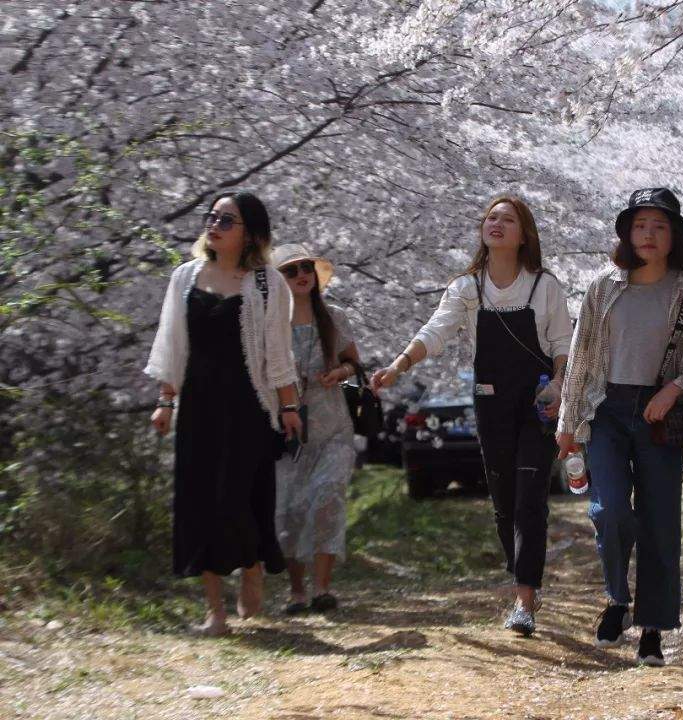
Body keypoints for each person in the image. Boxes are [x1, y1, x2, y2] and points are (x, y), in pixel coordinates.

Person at [371, 195, 573, 637]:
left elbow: (563, 344)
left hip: (537, 404)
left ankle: (523, 598)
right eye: (491, 217)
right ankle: (522, 574)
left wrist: (558, 385)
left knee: (528, 499)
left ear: (524, 235)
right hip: (491, 401)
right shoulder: (467, 288)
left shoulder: (545, 286)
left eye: (508, 218)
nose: (496, 223)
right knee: (503, 503)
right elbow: (435, 332)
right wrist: (399, 365)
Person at [557, 187, 683, 667]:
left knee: (659, 520)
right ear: (626, 234)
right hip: (607, 409)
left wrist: (675, 389)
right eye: (639, 226)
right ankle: (617, 598)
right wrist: (567, 424)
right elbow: (582, 359)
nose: (648, 235)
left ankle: (653, 629)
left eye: (659, 226)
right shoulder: (602, 288)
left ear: (675, 236)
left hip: (660, 418)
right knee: (609, 510)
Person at [146, 191, 302, 636]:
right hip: (199, 406)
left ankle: (251, 563)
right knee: (199, 503)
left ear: (250, 233)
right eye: (212, 217)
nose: (214, 225)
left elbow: (277, 353)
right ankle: (214, 611)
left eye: (226, 220)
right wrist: (165, 401)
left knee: (239, 500)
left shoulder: (268, 283)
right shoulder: (184, 278)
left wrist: (288, 406)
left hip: (249, 407)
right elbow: (172, 344)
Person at [272, 244, 362, 615]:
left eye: (305, 268)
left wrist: (338, 373)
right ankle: (296, 591)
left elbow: (355, 365)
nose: (300, 276)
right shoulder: (269, 323)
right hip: (286, 428)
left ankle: (323, 588)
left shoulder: (335, 317)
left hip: (332, 423)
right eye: (290, 271)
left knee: (328, 497)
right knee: (290, 509)